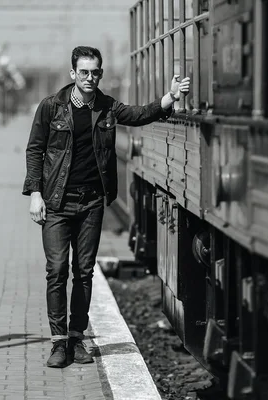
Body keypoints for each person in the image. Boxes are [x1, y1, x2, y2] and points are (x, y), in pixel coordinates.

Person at [22, 45, 190, 368]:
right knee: (56, 271)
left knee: (84, 273)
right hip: (57, 202)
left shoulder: (107, 107)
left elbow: (139, 115)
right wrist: (35, 194)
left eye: (95, 72)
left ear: (100, 73)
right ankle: (58, 344)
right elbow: (35, 150)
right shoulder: (51, 107)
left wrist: (169, 99)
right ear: (72, 74)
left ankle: (76, 337)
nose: (89, 78)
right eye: (83, 72)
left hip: (91, 203)